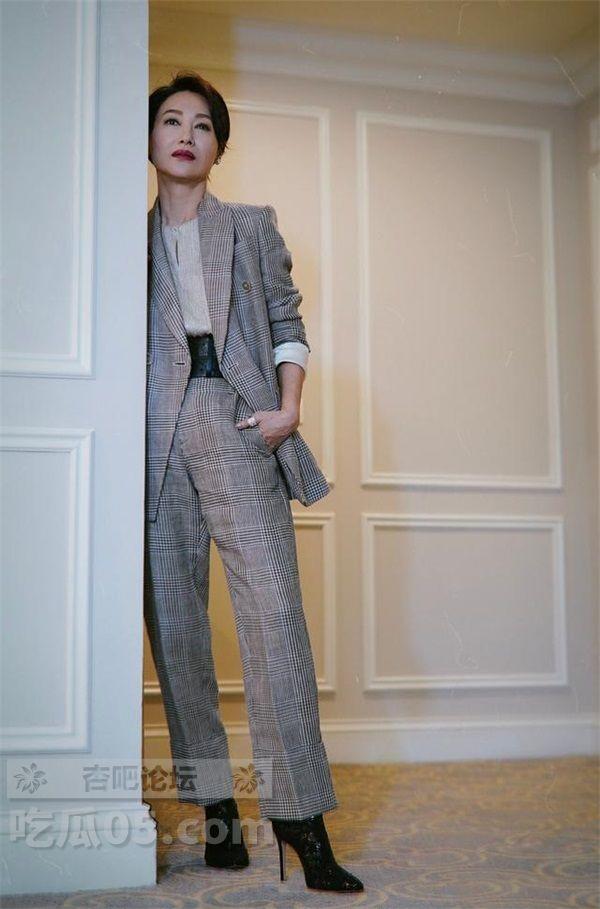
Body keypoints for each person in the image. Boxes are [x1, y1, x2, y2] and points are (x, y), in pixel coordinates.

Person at [145, 70, 364, 893]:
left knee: (275, 616)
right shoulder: (118, 240)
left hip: (238, 420)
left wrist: (288, 409)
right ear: (151, 139)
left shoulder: (248, 225)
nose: (186, 134)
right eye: (172, 120)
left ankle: (301, 819)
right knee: (176, 628)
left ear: (218, 145)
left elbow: (286, 322)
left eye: (203, 124)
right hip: (152, 438)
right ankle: (217, 807)